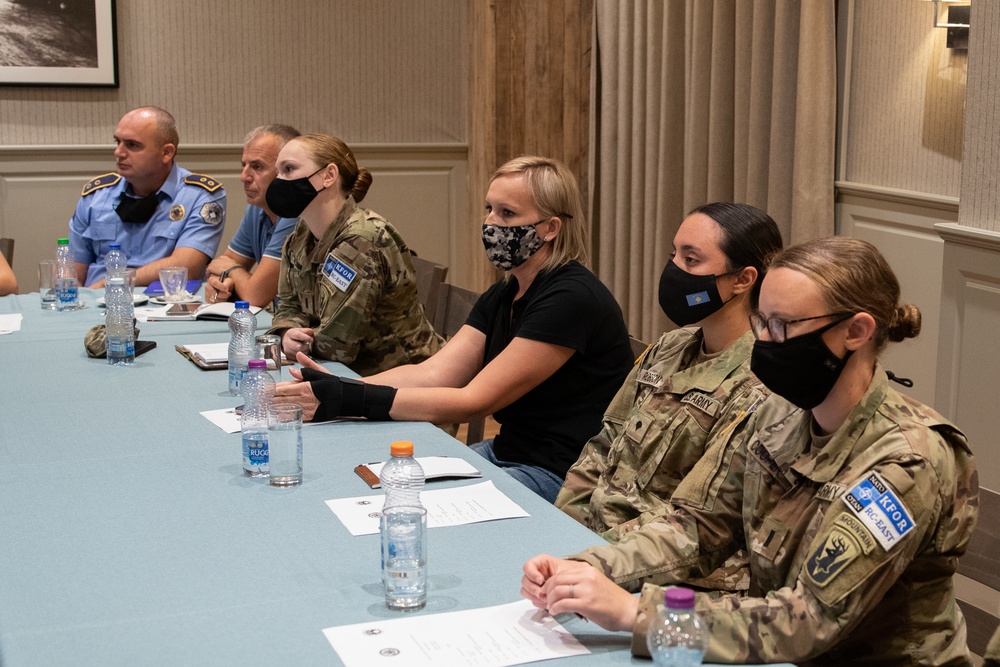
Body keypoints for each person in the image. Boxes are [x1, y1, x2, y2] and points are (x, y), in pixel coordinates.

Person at [521, 237, 979, 664]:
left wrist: (634, 613)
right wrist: (585, 567)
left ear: (856, 331)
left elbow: (809, 621)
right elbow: (696, 527)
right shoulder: (778, 413)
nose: (762, 341)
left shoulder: (906, 461)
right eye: (762, 320)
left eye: (783, 326)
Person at [274, 155, 634, 502]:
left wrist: (349, 399)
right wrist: (340, 386)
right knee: (377, 485)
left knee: (409, 505)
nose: (492, 222)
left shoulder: (571, 298)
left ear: (551, 228)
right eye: (489, 209)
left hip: (562, 473)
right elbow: (435, 372)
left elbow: (473, 401)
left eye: (508, 213)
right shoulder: (506, 292)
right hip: (509, 450)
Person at [556, 202, 782, 594]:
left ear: (743, 279)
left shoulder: (760, 383)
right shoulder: (670, 347)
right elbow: (602, 447)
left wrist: (592, 557)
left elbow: (695, 523)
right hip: (591, 550)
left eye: (691, 260)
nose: (674, 270)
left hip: (672, 577)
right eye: (673, 254)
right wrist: (560, 528)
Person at [263, 133, 443, 374]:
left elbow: (338, 346)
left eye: (288, 169)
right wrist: (287, 333)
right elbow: (288, 304)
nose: (278, 180)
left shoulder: (361, 239)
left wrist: (297, 345)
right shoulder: (302, 234)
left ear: (328, 176)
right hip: (348, 375)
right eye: (278, 171)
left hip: (402, 379)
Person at [69, 106, 226, 288]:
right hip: (96, 307)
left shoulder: (200, 195)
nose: (118, 152)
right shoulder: (96, 196)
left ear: (166, 153)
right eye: (117, 142)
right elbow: (73, 272)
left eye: (132, 145)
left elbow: (185, 267)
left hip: (165, 308)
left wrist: (110, 284)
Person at [204, 124, 300, 308]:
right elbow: (219, 266)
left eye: (257, 166)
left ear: (287, 171)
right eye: (244, 165)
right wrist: (220, 285)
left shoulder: (296, 213)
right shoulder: (257, 209)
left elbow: (256, 296)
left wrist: (230, 271)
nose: (244, 176)